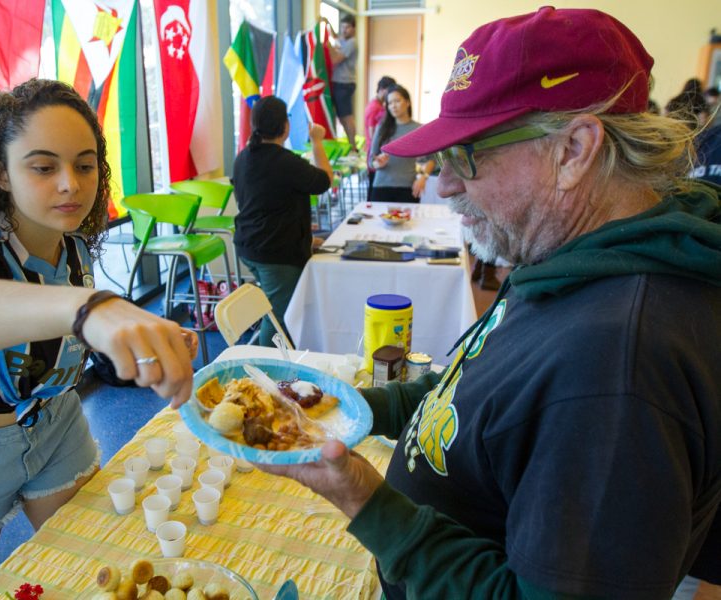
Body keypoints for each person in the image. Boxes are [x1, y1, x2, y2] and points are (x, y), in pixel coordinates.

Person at [260, 7, 721, 599]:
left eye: (467, 153)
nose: (445, 182)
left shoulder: (620, 364)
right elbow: (475, 387)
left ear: (574, 149)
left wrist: (364, 500)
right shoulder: (566, 257)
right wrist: (354, 408)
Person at [0, 79, 198, 600]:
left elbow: (54, 337)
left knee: (84, 563)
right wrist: (87, 308)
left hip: (56, 422)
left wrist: (140, 338)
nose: (69, 185)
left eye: (84, 165)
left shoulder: (71, 244)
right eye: (43, 167)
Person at [231, 96, 332, 347]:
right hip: (274, 254)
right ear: (285, 127)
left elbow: (266, 202)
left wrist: (302, 235)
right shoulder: (285, 162)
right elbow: (325, 181)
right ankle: (266, 371)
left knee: (276, 307)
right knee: (279, 317)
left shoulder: (244, 157)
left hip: (249, 246)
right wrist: (317, 141)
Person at [368, 85, 427, 203]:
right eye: (389, 103)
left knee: (409, 221)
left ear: (408, 102)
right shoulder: (381, 128)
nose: (393, 106)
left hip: (407, 188)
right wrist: (377, 163)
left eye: (397, 101)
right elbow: (371, 160)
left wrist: (423, 177)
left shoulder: (419, 129)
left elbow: (430, 159)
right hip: (381, 186)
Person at [328, 14, 358, 152]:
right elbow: (335, 37)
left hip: (344, 84)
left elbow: (335, 59)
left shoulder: (352, 42)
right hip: (339, 83)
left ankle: (353, 147)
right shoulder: (343, 40)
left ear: (353, 29)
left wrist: (327, 44)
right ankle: (351, 146)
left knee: (346, 116)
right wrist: (327, 23)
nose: (344, 30)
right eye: (342, 27)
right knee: (341, 116)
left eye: (347, 27)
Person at [364, 75, 397, 201]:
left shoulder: (372, 104)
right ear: (383, 90)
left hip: (373, 155)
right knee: (374, 194)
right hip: (376, 156)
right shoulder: (376, 108)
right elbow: (374, 135)